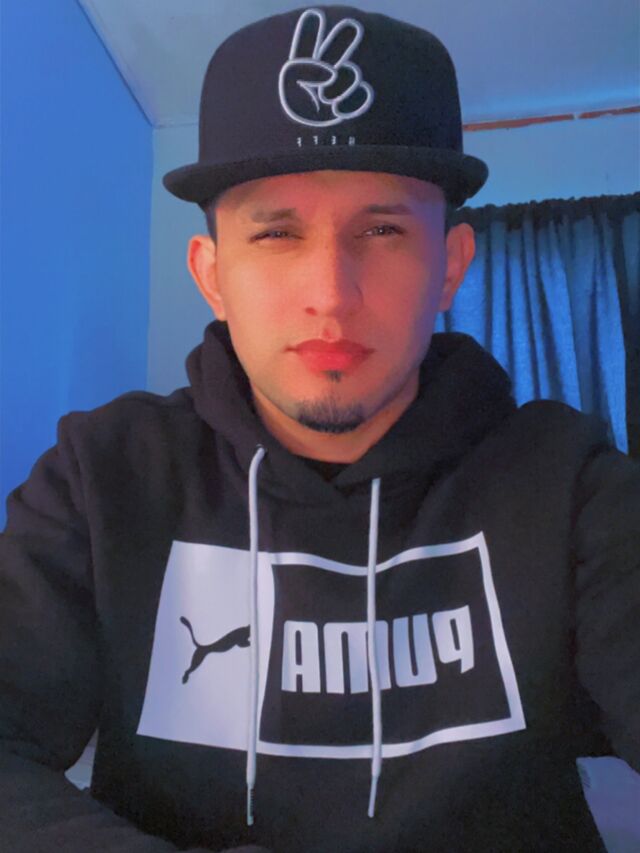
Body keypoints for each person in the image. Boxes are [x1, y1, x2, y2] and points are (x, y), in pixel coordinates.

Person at [1, 5, 638, 852]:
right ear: (212, 274)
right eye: (276, 232)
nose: (331, 294)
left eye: (382, 230)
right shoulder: (102, 477)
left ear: (450, 265)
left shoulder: (572, 485)